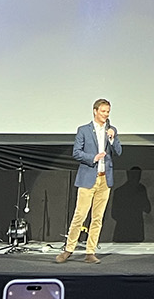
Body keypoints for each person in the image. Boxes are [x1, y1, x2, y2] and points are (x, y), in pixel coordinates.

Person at [57, 98, 122, 263]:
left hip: (104, 179)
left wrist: (113, 139)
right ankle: (68, 249)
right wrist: (93, 157)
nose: (106, 115)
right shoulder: (83, 130)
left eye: (108, 112)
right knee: (80, 215)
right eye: (103, 111)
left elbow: (119, 151)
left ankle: (90, 252)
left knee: (97, 218)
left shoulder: (111, 130)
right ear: (95, 111)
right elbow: (76, 153)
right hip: (88, 178)